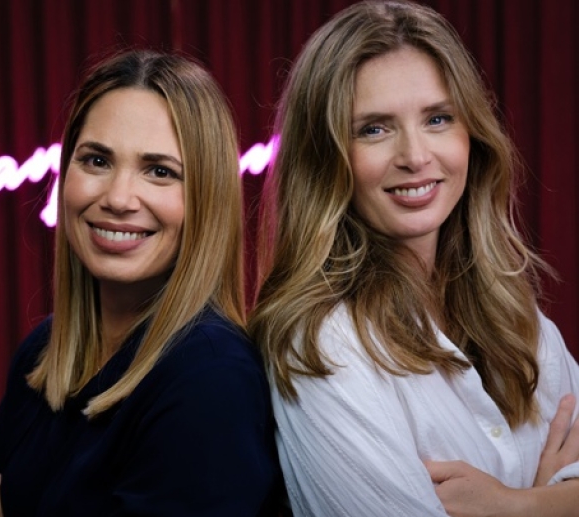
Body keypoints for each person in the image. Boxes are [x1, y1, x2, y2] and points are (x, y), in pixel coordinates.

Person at [248, 1, 579, 516]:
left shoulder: (515, 315)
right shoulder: (324, 346)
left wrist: (518, 507)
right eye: (374, 129)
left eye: (438, 119)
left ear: (472, 134)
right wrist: (557, 499)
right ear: (325, 157)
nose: (416, 156)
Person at [0, 49, 281, 517]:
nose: (118, 198)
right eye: (97, 160)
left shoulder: (213, 379)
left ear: (208, 198)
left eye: (160, 171)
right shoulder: (45, 349)